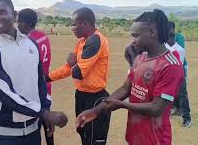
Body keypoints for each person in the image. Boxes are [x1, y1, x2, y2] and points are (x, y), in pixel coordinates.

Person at [76, 9, 185, 145]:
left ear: (152, 32)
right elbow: (125, 89)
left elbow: (156, 109)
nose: (132, 41)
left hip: (155, 140)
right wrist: (96, 110)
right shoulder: (140, 58)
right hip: (135, 135)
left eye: (135, 36)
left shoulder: (171, 66)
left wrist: (122, 105)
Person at [0, 0, 67, 145]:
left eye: (1, 12)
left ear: (15, 14)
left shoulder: (30, 44)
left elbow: (40, 82)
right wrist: (44, 113)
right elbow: (5, 93)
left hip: (32, 129)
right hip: (3, 134)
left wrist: (45, 110)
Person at [46, 7, 110, 145]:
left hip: (95, 99)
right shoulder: (82, 42)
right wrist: (46, 78)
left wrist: (72, 64)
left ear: (85, 24)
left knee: (95, 139)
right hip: (81, 96)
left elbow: (78, 73)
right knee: (83, 132)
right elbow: (69, 68)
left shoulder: (95, 41)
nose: (72, 28)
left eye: (74, 24)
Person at [17, 8, 54, 145]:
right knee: (48, 124)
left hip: (35, 87)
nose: (17, 26)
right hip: (46, 85)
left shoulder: (28, 41)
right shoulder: (43, 36)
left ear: (25, 24)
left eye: (18, 22)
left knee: (34, 125)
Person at [167, 21, 191, 127]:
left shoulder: (179, 43)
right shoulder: (163, 44)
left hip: (179, 72)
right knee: (169, 94)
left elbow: (178, 63)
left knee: (182, 94)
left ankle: (187, 118)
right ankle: (174, 110)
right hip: (167, 74)